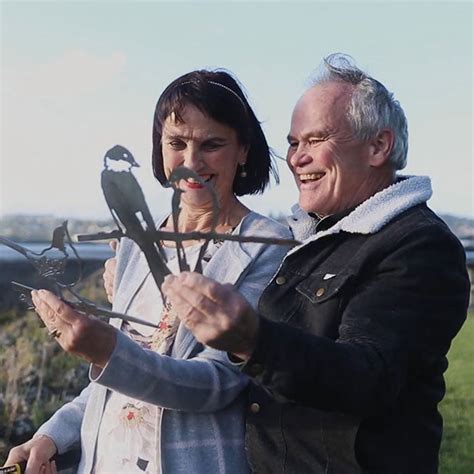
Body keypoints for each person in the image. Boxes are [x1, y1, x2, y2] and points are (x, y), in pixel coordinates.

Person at [161, 54, 471, 473]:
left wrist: (253, 341)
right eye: (293, 143)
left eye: (316, 139)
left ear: (379, 146)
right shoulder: (308, 238)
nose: (296, 159)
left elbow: (369, 376)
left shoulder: (419, 246)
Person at [4, 70, 292, 474]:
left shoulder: (268, 244)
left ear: (243, 150)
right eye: (177, 143)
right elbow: (111, 378)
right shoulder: (139, 242)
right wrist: (51, 436)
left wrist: (106, 350)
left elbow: (221, 383)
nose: (191, 163)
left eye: (211, 144)